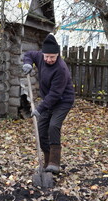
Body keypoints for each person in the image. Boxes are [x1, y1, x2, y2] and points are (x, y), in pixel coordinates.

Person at [22, 34, 75, 174]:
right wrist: (27, 63)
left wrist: (39, 108)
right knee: (41, 130)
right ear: (43, 54)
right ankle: (46, 163)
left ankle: (54, 162)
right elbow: (29, 54)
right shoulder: (40, 56)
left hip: (63, 101)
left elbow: (55, 94)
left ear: (57, 55)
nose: (49, 60)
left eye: (52, 57)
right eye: (47, 56)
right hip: (48, 101)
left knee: (53, 126)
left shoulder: (61, 69)